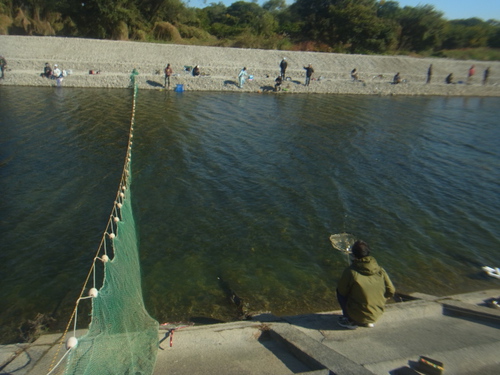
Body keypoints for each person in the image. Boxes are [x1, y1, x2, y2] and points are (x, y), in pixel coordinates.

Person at [337, 240, 395, 329]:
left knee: (339, 292)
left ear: (354, 254)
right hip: (377, 314)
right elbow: (391, 290)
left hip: (357, 316)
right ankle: (368, 321)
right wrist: (381, 299)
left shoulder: (351, 271)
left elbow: (341, 291)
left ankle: (350, 320)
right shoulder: (380, 270)